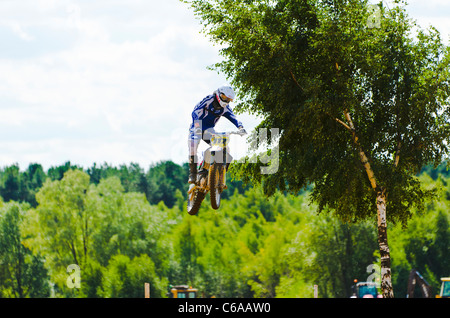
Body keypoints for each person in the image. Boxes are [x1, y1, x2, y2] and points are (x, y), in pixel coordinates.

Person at [188, 85, 246, 184]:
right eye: (224, 98)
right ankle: (193, 173)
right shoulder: (209, 99)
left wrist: (240, 127)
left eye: (229, 99)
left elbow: (233, 117)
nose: (226, 101)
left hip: (209, 129)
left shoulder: (225, 108)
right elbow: (195, 112)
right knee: (193, 145)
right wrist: (197, 124)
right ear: (219, 94)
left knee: (224, 147)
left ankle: (220, 173)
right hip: (197, 125)